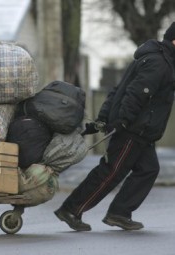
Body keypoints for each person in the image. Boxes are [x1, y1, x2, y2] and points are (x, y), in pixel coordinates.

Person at [54, 22, 175, 231]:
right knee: (111, 172)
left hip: (141, 130)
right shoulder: (159, 63)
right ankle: (72, 209)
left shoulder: (157, 59)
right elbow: (137, 93)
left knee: (148, 170)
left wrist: (104, 116)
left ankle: (119, 213)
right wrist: (123, 120)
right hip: (133, 128)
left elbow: (118, 89)